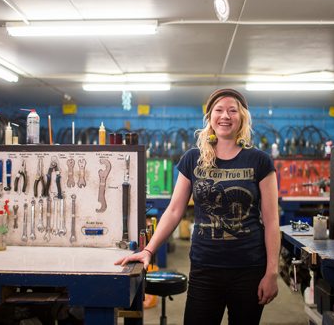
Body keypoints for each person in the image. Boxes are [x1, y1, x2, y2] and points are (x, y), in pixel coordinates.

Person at [115, 88, 280, 324]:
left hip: (249, 268)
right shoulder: (193, 158)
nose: (225, 116)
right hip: (205, 267)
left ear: (242, 116)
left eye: (232, 110)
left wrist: (272, 272)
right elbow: (173, 211)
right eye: (219, 110)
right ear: (210, 117)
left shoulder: (260, 161)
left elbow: (272, 220)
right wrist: (148, 250)